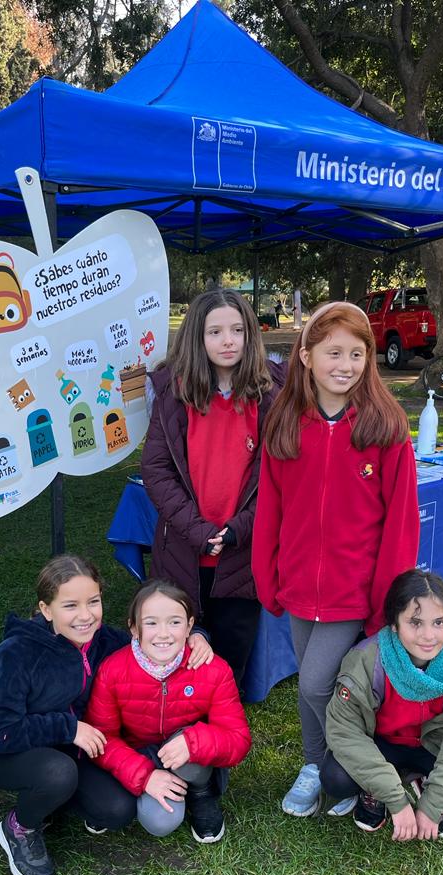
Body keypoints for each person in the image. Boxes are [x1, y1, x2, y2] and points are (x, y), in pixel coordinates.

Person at [252, 301, 419, 817]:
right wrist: (267, 575)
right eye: (333, 353)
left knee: (318, 682)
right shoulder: (285, 422)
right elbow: (271, 508)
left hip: (356, 589)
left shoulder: (385, 425)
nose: (345, 365)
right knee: (314, 682)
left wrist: (388, 600)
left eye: (357, 353)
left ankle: (354, 766)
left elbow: (401, 523)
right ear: (306, 356)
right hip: (299, 583)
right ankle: (317, 767)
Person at [0, 555, 213, 875]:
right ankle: (19, 827)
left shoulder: (106, 641)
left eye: (93, 602)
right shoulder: (16, 653)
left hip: (78, 749)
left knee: (117, 810)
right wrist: (69, 728)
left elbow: (157, 640)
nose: (85, 616)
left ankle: (53, 800)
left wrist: (198, 636)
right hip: (9, 752)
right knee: (57, 773)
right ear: (46, 609)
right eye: (70, 605)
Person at [142, 288, 285, 691]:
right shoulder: (173, 394)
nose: (228, 341)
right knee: (174, 654)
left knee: (230, 656)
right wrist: (198, 531)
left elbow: (280, 478)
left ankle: (221, 719)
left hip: (243, 554)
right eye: (216, 332)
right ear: (197, 337)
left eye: (238, 330)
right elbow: (156, 470)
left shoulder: (272, 395)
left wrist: (241, 527)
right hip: (183, 548)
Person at [322, 569, 443, 839]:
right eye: (415, 622)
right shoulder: (365, 661)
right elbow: (345, 732)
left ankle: (430, 783)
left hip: (436, 746)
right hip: (381, 745)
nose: (428, 635)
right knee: (335, 777)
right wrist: (394, 797)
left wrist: (435, 803)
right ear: (394, 624)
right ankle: (377, 789)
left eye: (439, 622)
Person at [85, 580, 251, 844]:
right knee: (160, 822)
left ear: (189, 626)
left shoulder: (214, 669)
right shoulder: (112, 670)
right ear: (134, 628)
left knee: (190, 751)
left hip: (190, 757)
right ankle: (137, 790)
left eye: (174, 622)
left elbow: (238, 739)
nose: (163, 634)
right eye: (151, 623)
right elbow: (101, 738)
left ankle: (201, 791)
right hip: (139, 754)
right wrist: (144, 776)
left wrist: (193, 743)